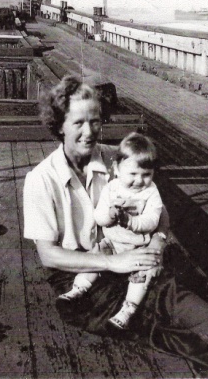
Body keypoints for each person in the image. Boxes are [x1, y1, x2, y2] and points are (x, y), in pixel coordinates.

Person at [23, 75, 208, 378]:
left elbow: (161, 211)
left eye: (95, 121)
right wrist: (112, 262)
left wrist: (158, 240)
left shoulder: (118, 159)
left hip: (126, 253)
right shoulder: (40, 179)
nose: (89, 132)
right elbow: (48, 256)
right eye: (78, 123)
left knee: (182, 281)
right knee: (161, 297)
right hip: (77, 278)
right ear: (59, 125)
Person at [58, 132, 164, 330]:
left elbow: (152, 221)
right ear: (116, 169)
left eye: (146, 174)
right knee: (95, 256)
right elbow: (98, 217)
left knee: (141, 274)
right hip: (112, 243)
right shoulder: (112, 188)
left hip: (137, 247)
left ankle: (128, 308)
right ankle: (78, 288)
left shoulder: (151, 192)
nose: (139, 181)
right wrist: (110, 215)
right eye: (133, 174)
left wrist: (130, 221)